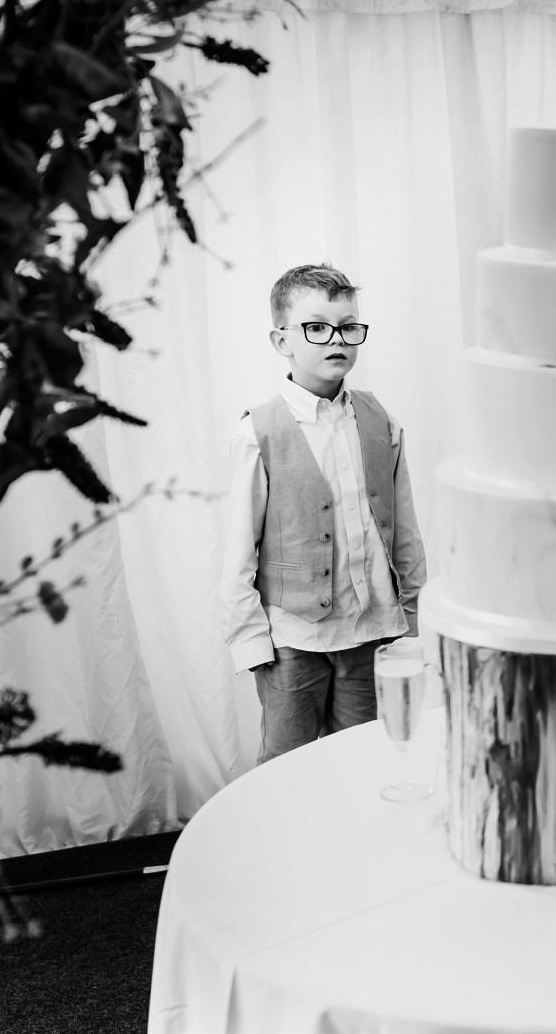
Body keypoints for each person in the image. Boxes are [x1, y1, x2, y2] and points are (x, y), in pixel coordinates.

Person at [219, 263, 428, 763]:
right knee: (285, 770)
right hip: (293, 639)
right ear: (281, 340)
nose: (336, 339)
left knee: (361, 764)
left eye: (348, 326)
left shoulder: (382, 420)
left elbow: (405, 532)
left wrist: (415, 622)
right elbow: (238, 552)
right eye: (316, 327)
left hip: (373, 632)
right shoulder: (258, 432)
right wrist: (252, 646)